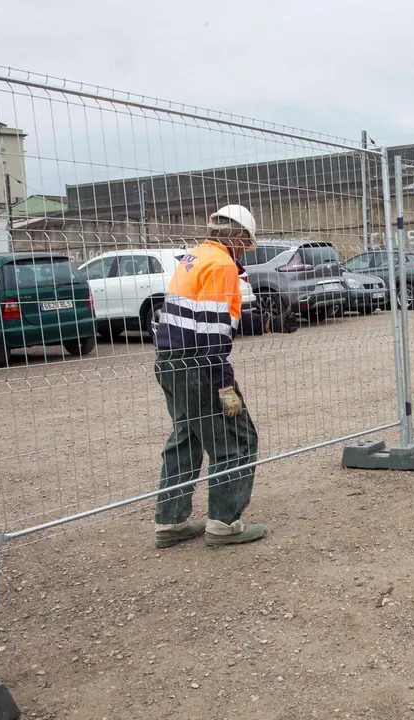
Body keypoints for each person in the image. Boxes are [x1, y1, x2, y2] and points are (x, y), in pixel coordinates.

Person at [152, 204, 267, 548]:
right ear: (236, 236)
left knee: (186, 438)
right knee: (236, 439)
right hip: (199, 366)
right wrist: (224, 385)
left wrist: (262, 322)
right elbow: (211, 335)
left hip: (169, 360)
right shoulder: (221, 265)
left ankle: (170, 522)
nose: (243, 251)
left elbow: (199, 315)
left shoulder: (195, 257)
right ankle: (224, 524)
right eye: (245, 244)